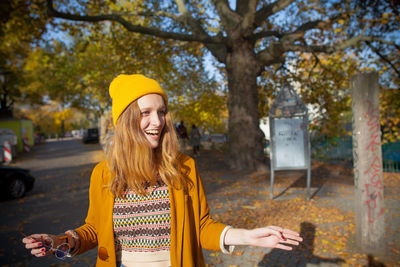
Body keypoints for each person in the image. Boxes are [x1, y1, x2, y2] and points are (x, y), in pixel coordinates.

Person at [22, 74, 302, 267]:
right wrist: (61, 241)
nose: (157, 121)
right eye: (145, 113)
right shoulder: (104, 174)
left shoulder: (184, 167)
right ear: (126, 120)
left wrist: (247, 235)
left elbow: (202, 227)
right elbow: (95, 230)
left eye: (161, 111)